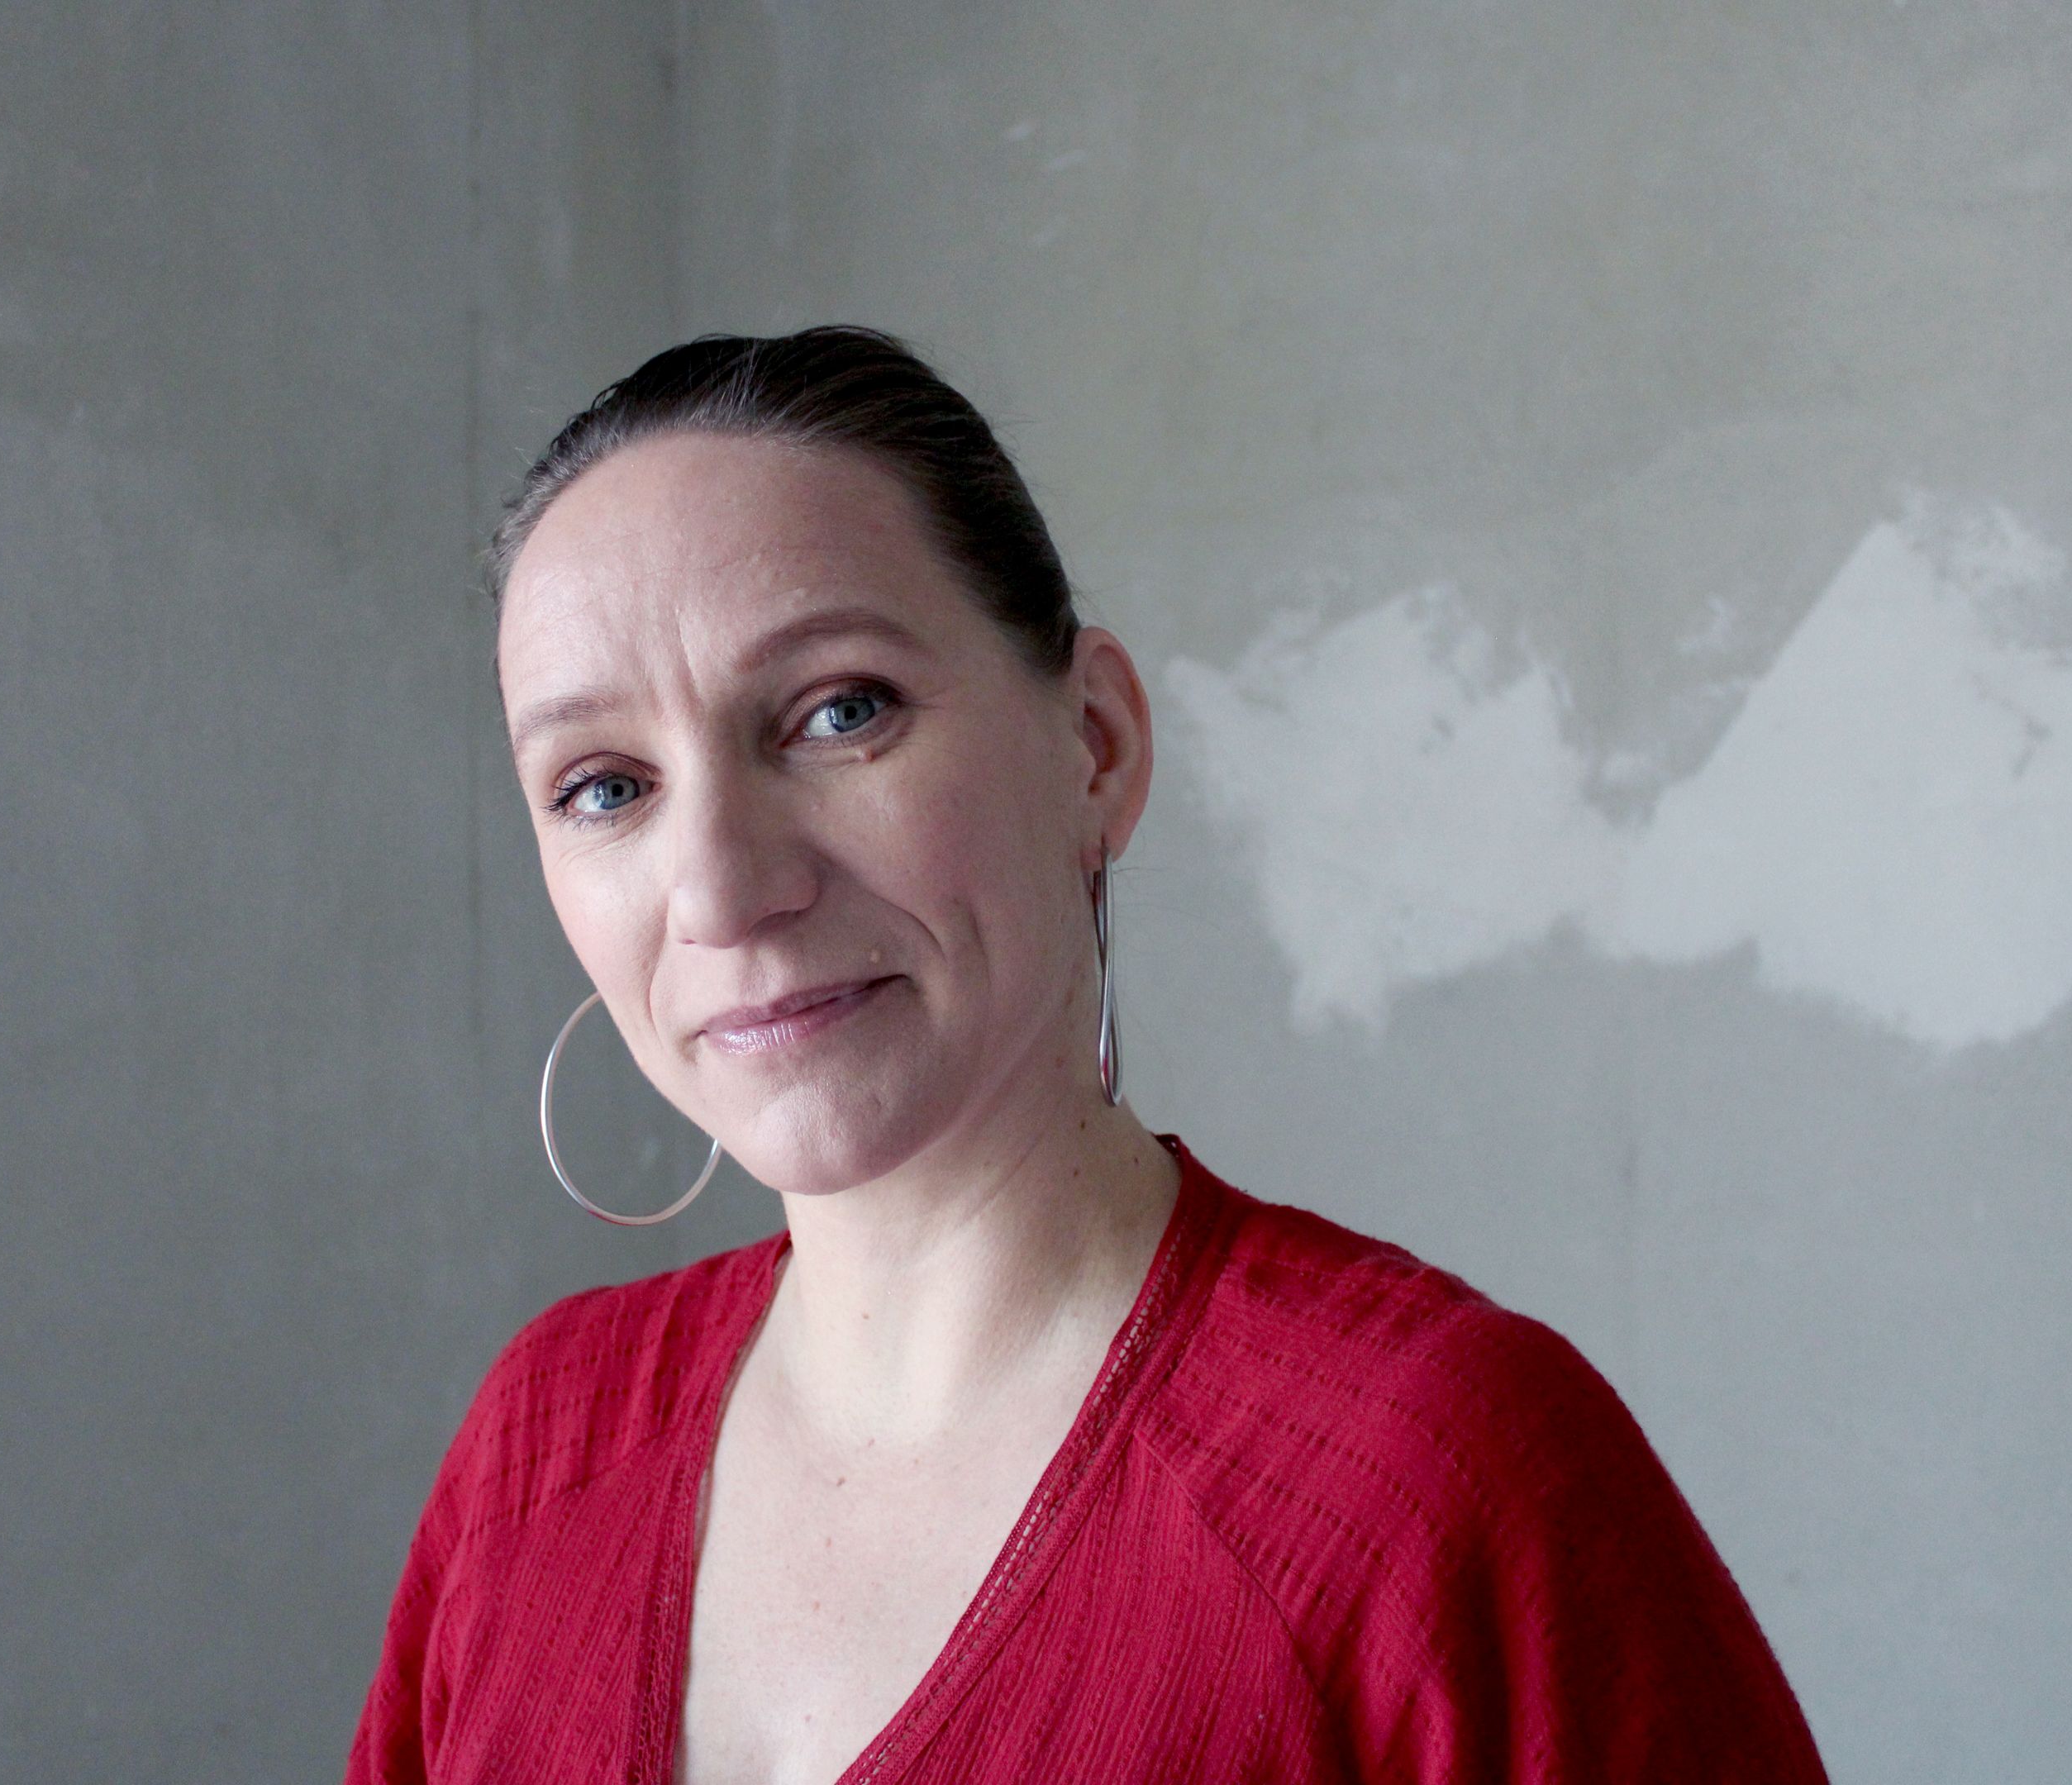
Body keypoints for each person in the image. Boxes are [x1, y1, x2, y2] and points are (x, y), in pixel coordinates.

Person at [348, 327, 1828, 1784]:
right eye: (604, 788)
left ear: (1097, 746)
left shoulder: (1442, 1475)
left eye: (839, 712)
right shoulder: (539, 1443)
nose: (722, 892)